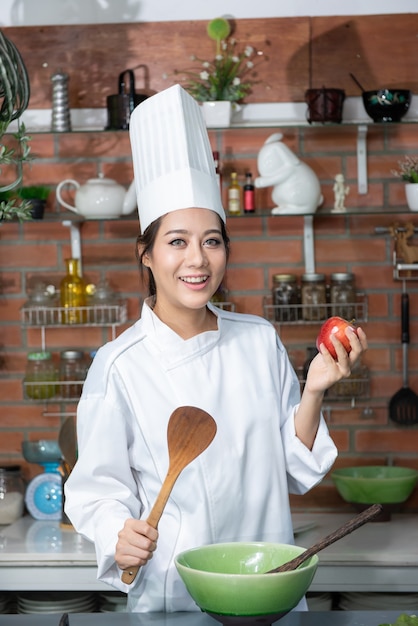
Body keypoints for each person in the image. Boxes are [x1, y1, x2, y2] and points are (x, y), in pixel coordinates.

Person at [64, 85, 368, 613]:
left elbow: (295, 469)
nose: (198, 260)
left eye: (212, 240)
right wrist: (119, 531)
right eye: (177, 241)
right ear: (147, 254)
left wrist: (315, 389)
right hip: (173, 598)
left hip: (269, 586)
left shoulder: (257, 339)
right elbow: (96, 491)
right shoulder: (120, 366)